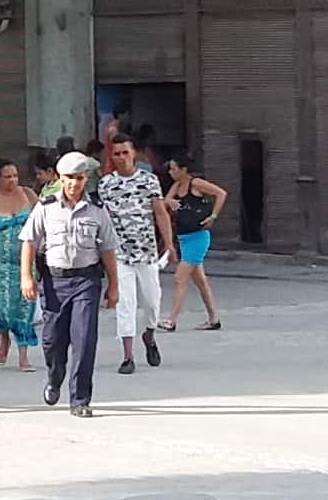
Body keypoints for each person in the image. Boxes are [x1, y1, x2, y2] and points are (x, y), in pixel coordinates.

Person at [27, 152, 109, 416]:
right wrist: (26, 277)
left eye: (79, 178)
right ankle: (54, 375)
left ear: (86, 178)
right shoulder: (46, 207)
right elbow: (29, 241)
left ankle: (80, 399)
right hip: (54, 281)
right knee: (52, 341)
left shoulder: (97, 209)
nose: (74, 183)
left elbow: (108, 248)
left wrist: (115, 286)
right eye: (69, 178)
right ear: (60, 179)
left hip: (87, 280)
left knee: (84, 340)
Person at [94, 135, 173, 375]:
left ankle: (149, 334)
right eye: (116, 153)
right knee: (125, 303)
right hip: (119, 254)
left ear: (134, 154)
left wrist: (168, 243)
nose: (121, 158)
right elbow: (103, 220)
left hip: (146, 251)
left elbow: (160, 213)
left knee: (152, 300)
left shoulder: (149, 181)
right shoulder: (106, 184)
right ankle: (127, 356)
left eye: (125, 152)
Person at [160, 150, 229, 332]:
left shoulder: (195, 184)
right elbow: (165, 200)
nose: (170, 172)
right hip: (184, 237)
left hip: (198, 236)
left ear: (183, 169)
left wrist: (213, 215)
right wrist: (170, 202)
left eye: (173, 169)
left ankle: (172, 320)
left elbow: (221, 193)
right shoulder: (177, 186)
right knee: (200, 281)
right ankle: (213, 318)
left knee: (180, 277)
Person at [0, 160, 39, 369]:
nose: (13, 180)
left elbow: (43, 223)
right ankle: (4, 336)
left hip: (26, 262)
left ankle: (23, 356)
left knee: (25, 308)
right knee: (2, 308)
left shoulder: (28, 195)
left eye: (15, 175)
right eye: (7, 176)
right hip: (1, 263)